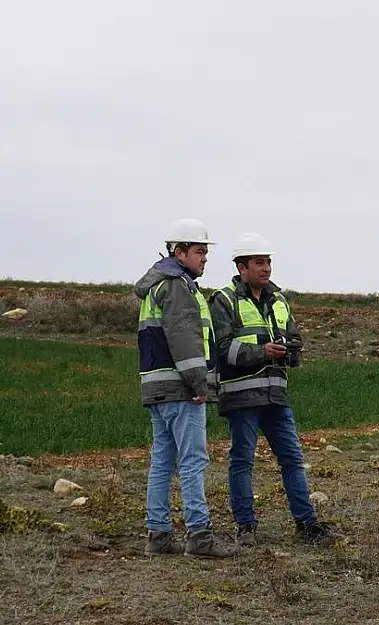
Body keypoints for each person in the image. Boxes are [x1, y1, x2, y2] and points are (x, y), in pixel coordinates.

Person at [208, 232, 342, 547]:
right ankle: (246, 528)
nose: (266, 268)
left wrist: (291, 350)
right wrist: (262, 352)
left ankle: (306, 525)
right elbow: (222, 349)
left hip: (276, 394)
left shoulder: (279, 300)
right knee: (242, 460)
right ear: (242, 267)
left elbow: (294, 338)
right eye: (259, 262)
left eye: (268, 261)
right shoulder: (223, 300)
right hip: (242, 396)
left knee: (293, 459)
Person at [135, 217, 238, 559]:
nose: (205, 258)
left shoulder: (157, 286)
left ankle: (159, 534)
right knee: (193, 461)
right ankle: (200, 536)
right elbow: (184, 340)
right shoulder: (177, 286)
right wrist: (199, 384)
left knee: (163, 462)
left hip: (157, 388)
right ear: (178, 252)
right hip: (181, 388)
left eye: (206, 252)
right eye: (199, 251)